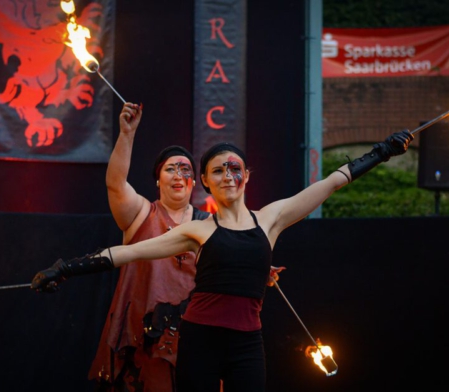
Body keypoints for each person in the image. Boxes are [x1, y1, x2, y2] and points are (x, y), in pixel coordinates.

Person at [32, 129, 413, 392]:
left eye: (235, 169)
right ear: (206, 181)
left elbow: (331, 182)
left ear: (247, 176)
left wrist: (382, 152)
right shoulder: (197, 231)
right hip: (200, 340)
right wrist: (65, 268)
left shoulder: (271, 218)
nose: (228, 175)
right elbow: (126, 253)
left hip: (247, 343)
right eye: (219, 170)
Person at [88, 102, 210, 391]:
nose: (179, 175)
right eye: (170, 169)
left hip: (191, 336)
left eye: (185, 170)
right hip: (140, 339)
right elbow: (116, 185)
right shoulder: (142, 213)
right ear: (158, 179)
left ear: (194, 183)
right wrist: (127, 134)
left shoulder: (209, 226)